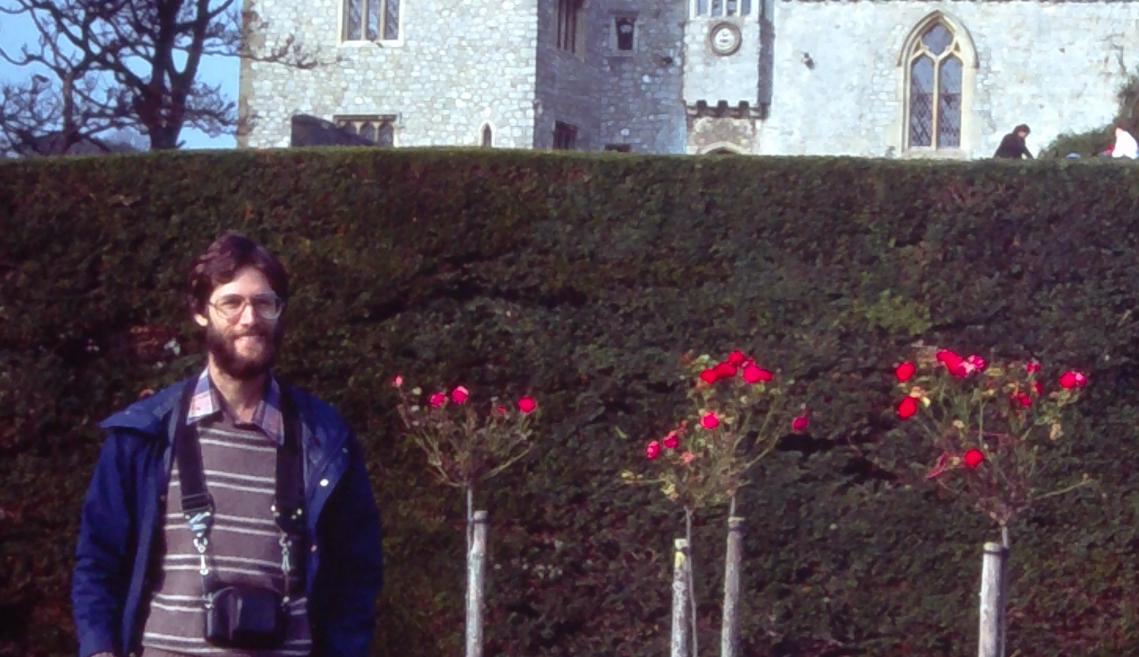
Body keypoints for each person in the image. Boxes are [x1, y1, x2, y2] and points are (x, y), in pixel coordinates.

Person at [72, 233, 383, 657]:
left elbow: (356, 575)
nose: (250, 318)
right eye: (231, 302)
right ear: (201, 313)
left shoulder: (325, 439)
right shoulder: (144, 436)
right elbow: (97, 561)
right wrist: (99, 650)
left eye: (264, 303)